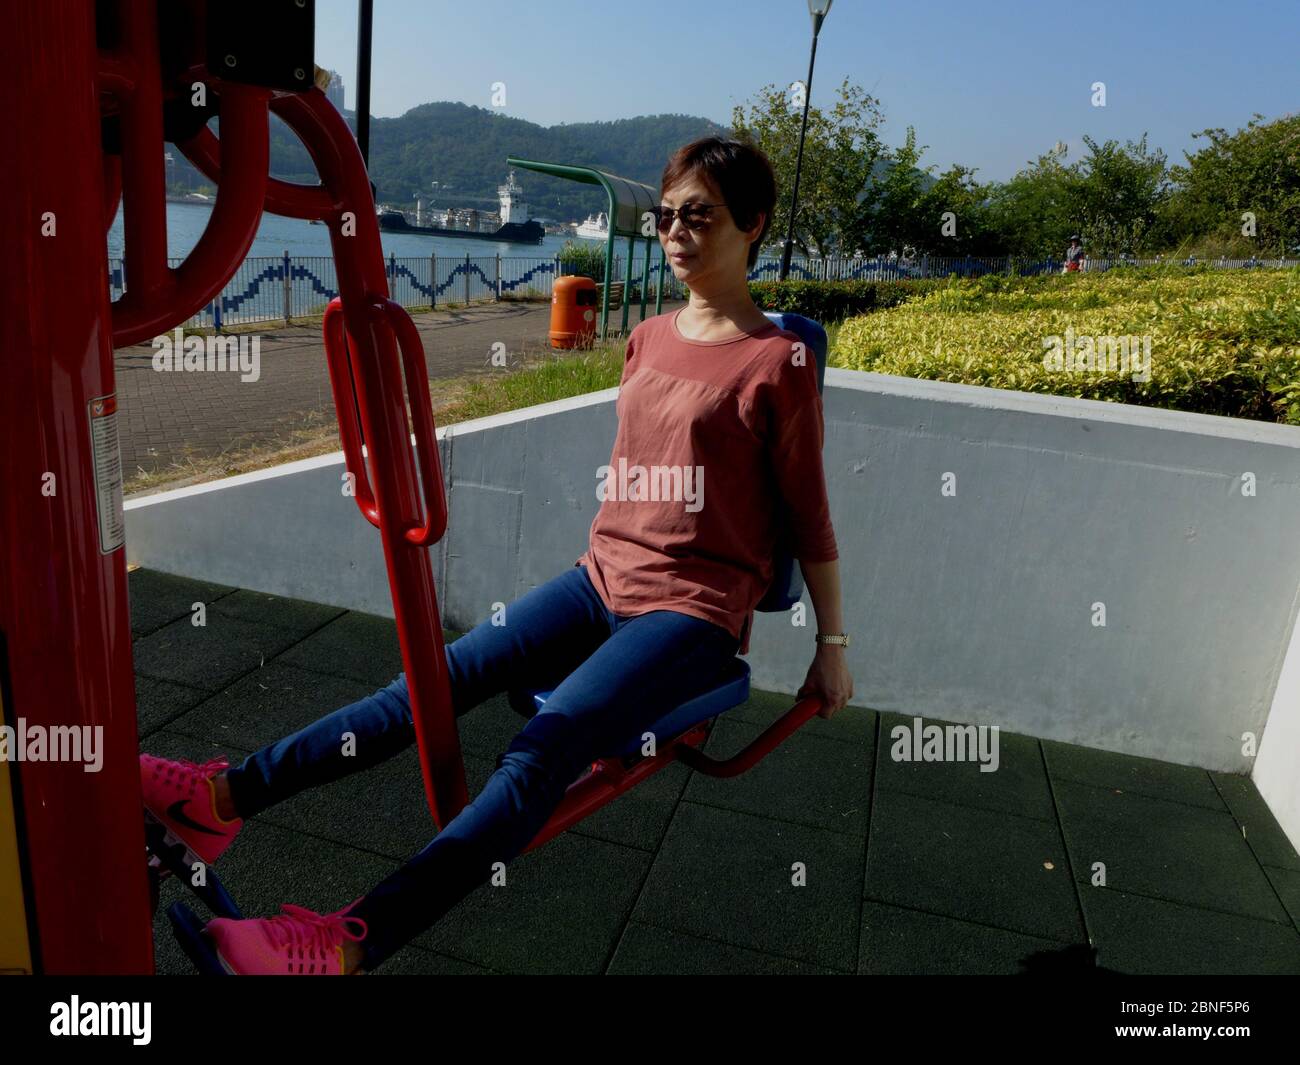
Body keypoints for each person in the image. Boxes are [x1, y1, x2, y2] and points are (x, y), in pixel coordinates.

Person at [139, 136, 853, 975]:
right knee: (427, 686)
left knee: (542, 749)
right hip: (601, 577)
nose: (676, 233)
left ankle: (344, 945)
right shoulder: (649, 337)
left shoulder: (780, 360)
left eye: (700, 216)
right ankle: (223, 799)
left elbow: (810, 517)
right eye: (667, 216)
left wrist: (830, 646)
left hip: (689, 613)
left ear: (755, 224)